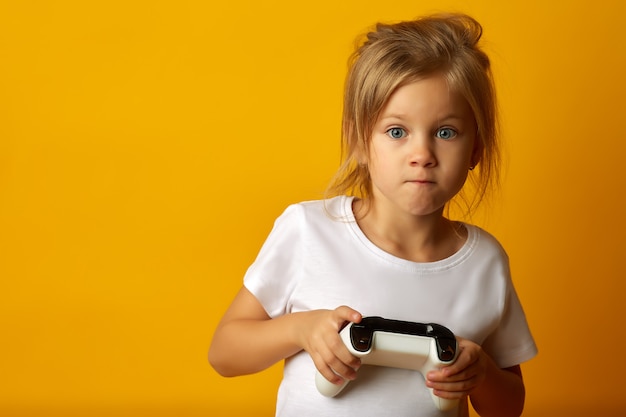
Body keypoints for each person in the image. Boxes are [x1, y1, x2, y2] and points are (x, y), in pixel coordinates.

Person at [209, 13, 537, 417]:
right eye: (397, 131)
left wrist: (481, 373)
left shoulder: (486, 262)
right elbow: (224, 352)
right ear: (359, 142)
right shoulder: (308, 231)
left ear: (476, 150)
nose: (422, 155)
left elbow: (509, 406)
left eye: (446, 132)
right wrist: (301, 329)